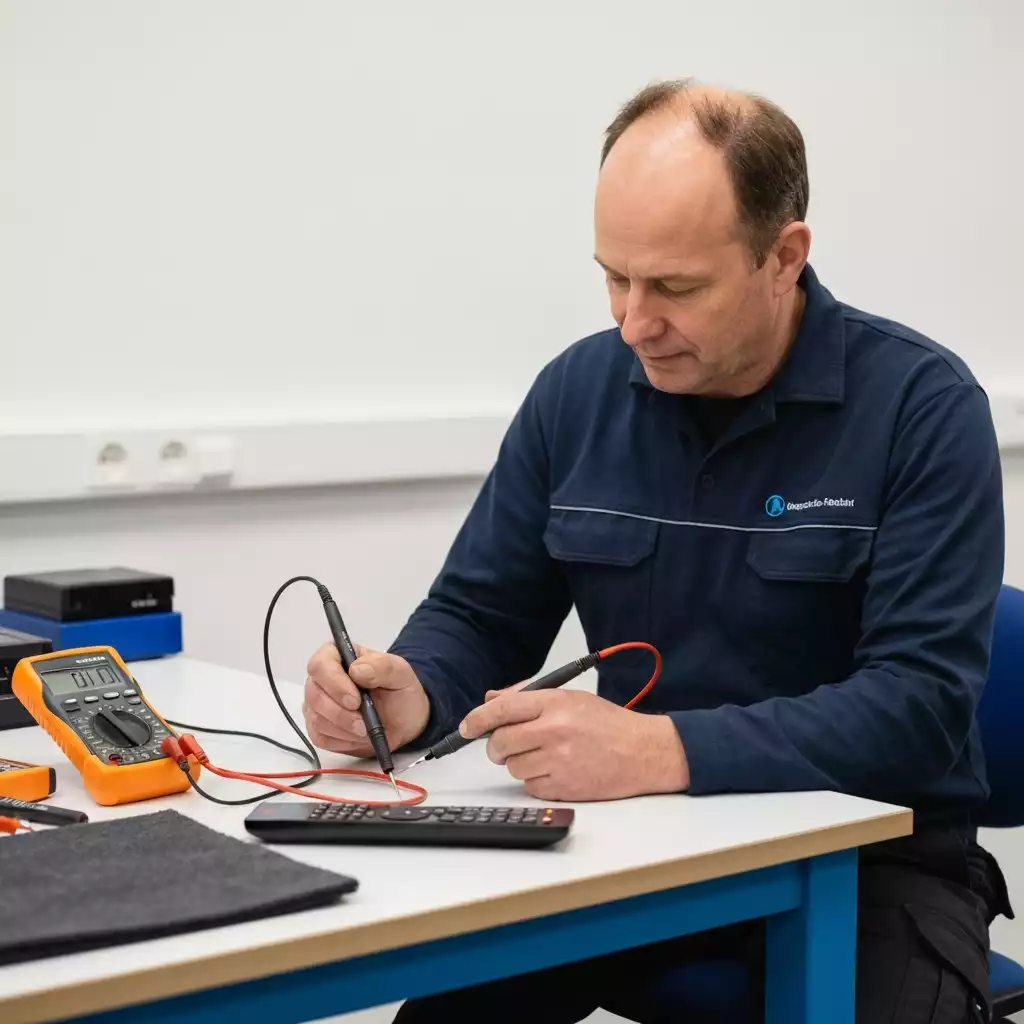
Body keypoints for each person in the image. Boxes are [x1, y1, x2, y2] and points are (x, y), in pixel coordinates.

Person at [303, 79, 1011, 1023]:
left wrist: (662, 747)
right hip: (635, 848)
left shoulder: (922, 409)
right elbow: (483, 614)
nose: (634, 323)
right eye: (613, 277)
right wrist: (414, 690)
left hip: (875, 862)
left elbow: (917, 708)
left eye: (676, 287)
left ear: (783, 256)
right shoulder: (580, 392)